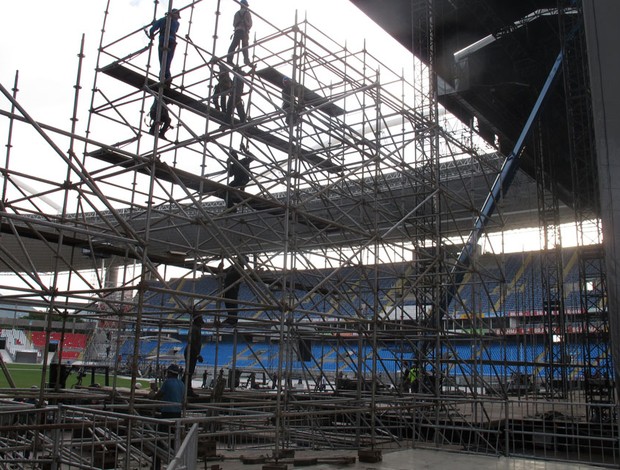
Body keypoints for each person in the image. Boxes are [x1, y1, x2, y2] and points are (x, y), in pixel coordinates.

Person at [150, 363, 184, 470]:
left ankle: (156, 466)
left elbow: (158, 396)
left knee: (159, 440)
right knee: (174, 441)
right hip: (177, 415)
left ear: (169, 373)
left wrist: (153, 394)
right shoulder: (181, 384)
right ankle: (174, 464)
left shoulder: (167, 382)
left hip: (167, 414)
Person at [149, 8, 181, 83]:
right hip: (172, 41)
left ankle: (164, 75)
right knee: (168, 60)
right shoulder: (177, 23)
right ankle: (166, 76)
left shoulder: (162, 20)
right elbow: (175, 30)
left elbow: (152, 30)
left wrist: (153, 31)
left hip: (163, 40)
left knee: (162, 59)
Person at [226, 0, 252, 66]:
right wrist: (246, 26)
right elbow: (250, 24)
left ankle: (229, 59)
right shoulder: (247, 13)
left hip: (237, 31)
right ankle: (246, 60)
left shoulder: (237, 13)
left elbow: (234, 24)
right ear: (245, 6)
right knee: (245, 47)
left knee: (233, 45)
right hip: (244, 32)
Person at [183, 315, 204, 397]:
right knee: (189, 372)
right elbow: (192, 342)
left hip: (192, 352)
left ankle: (186, 388)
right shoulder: (195, 328)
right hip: (191, 352)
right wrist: (197, 354)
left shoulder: (196, 328)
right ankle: (187, 389)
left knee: (189, 372)